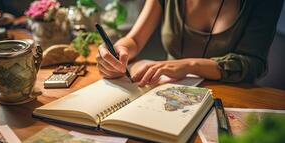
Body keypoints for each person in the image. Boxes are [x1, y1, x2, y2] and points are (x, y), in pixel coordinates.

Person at [96, 0, 283, 87]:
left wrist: (188, 65)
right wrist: (120, 49)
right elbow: (134, 40)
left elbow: (253, 64)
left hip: (230, 98)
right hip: (168, 91)